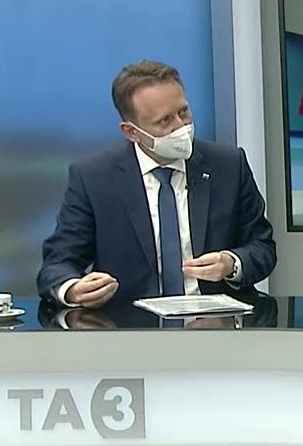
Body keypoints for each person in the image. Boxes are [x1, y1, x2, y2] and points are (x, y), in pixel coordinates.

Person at [38, 60, 276, 308]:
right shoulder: (94, 178)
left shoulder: (228, 165)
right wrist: (73, 289)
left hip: (216, 320)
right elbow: (58, 262)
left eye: (183, 112)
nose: (181, 127)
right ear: (131, 132)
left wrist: (231, 263)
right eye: (165, 121)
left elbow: (263, 248)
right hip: (133, 324)